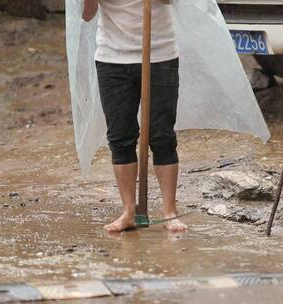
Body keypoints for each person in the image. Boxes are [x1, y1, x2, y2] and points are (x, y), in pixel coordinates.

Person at [82, 0, 187, 233]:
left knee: (162, 136)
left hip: (159, 55)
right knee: (120, 137)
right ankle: (129, 211)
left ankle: (170, 211)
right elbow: (87, 15)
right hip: (112, 59)